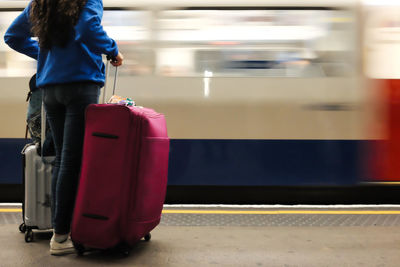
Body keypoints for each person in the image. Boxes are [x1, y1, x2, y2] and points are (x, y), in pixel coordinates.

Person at [4, 0, 123, 255]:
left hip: (51, 90)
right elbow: (87, 28)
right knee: (72, 160)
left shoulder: (41, 2)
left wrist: (47, 56)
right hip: (80, 87)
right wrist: (112, 51)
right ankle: (60, 236)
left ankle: (61, 231)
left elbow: (12, 35)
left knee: (62, 160)